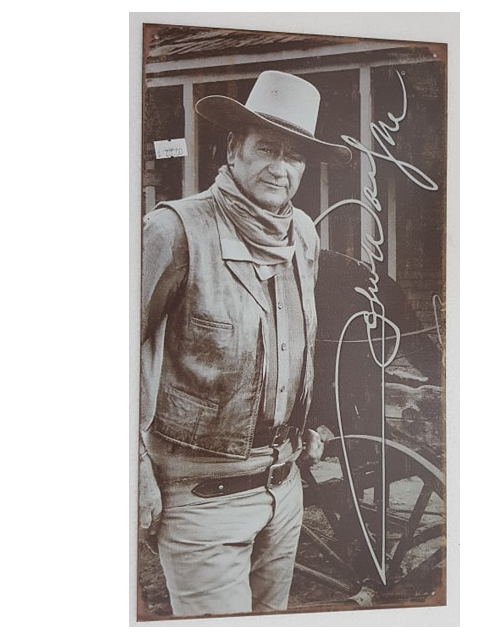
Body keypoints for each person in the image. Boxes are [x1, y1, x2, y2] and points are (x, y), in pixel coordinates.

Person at [139, 70, 351, 618]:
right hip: (201, 497)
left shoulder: (303, 233)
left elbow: (299, 341)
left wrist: (309, 424)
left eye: (295, 156)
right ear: (233, 149)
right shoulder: (176, 231)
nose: (281, 168)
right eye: (267, 149)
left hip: (283, 491)